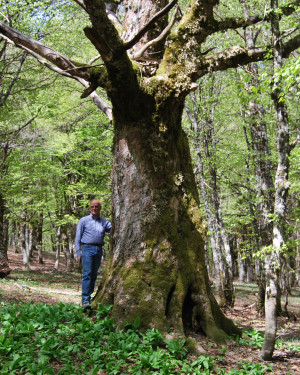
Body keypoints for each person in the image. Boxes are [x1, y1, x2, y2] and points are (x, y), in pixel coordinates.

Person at [75, 199, 111, 310]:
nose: (94, 208)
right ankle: (85, 300)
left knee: (94, 275)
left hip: (98, 249)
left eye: (96, 206)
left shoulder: (104, 222)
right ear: (90, 208)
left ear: (100, 208)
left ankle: (89, 297)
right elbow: (77, 238)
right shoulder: (84, 220)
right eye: (92, 207)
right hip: (87, 248)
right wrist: (78, 253)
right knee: (87, 274)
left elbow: (113, 228)